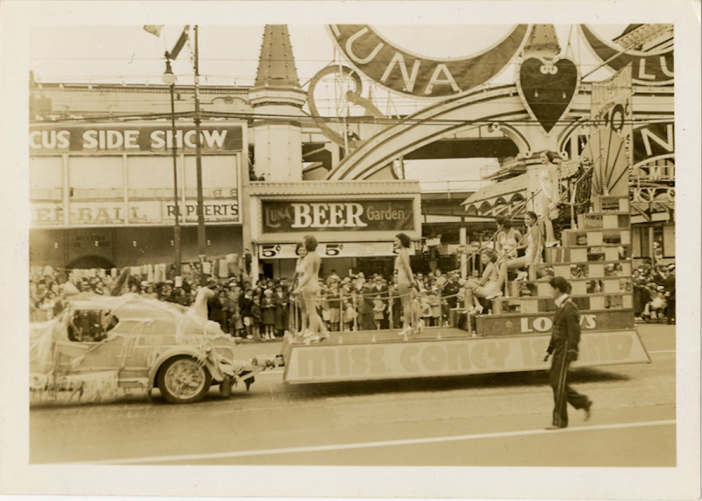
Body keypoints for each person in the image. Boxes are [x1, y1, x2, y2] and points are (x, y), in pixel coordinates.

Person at [544, 276, 592, 429]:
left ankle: (559, 422)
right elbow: (556, 330)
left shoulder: (569, 307)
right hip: (559, 349)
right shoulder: (561, 305)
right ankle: (583, 402)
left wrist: (572, 353)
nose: (549, 291)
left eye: (551, 288)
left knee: (558, 384)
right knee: (556, 382)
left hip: (565, 349)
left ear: (557, 290)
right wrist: (549, 350)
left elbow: (574, 333)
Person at [293, 235, 329, 342]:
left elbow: (308, 275)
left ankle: (314, 333)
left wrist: (298, 287)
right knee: (313, 311)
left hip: (308, 285)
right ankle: (323, 331)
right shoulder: (316, 256)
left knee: (311, 312)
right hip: (314, 284)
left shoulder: (309, 257)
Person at [464, 250, 505, 314]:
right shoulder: (491, 265)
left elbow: (482, 282)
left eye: (484, 257)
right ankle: (477, 306)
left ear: (490, 258)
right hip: (489, 288)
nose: (482, 259)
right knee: (469, 289)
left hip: (489, 290)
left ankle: (471, 307)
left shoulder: (490, 266)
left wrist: (471, 280)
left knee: (467, 284)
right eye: (481, 257)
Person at [508, 211, 543, 280]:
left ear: (533, 219)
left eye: (528, 219)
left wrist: (532, 261)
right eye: (525, 219)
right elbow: (529, 244)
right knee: (505, 263)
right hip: (529, 253)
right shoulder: (532, 228)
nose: (525, 221)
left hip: (532, 256)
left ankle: (521, 274)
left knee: (504, 265)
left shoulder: (535, 229)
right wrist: (516, 248)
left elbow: (535, 246)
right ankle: (521, 274)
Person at [394, 232, 416, 337]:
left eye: (397, 240)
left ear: (402, 241)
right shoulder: (403, 252)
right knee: (407, 304)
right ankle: (412, 324)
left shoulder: (403, 252)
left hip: (403, 280)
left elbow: (407, 267)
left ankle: (406, 325)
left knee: (406, 304)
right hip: (402, 280)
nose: (395, 242)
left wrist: (412, 280)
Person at [539, 151, 560, 247]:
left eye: (543, 157)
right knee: (545, 218)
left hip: (549, 194)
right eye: (541, 157)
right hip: (544, 193)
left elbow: (555, 182)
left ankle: (551, 239)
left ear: (548, 157)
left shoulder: (552, 167)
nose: (542, 159)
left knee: (546, 217)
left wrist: (555, 197)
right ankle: (549, 239)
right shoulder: (545, 168)